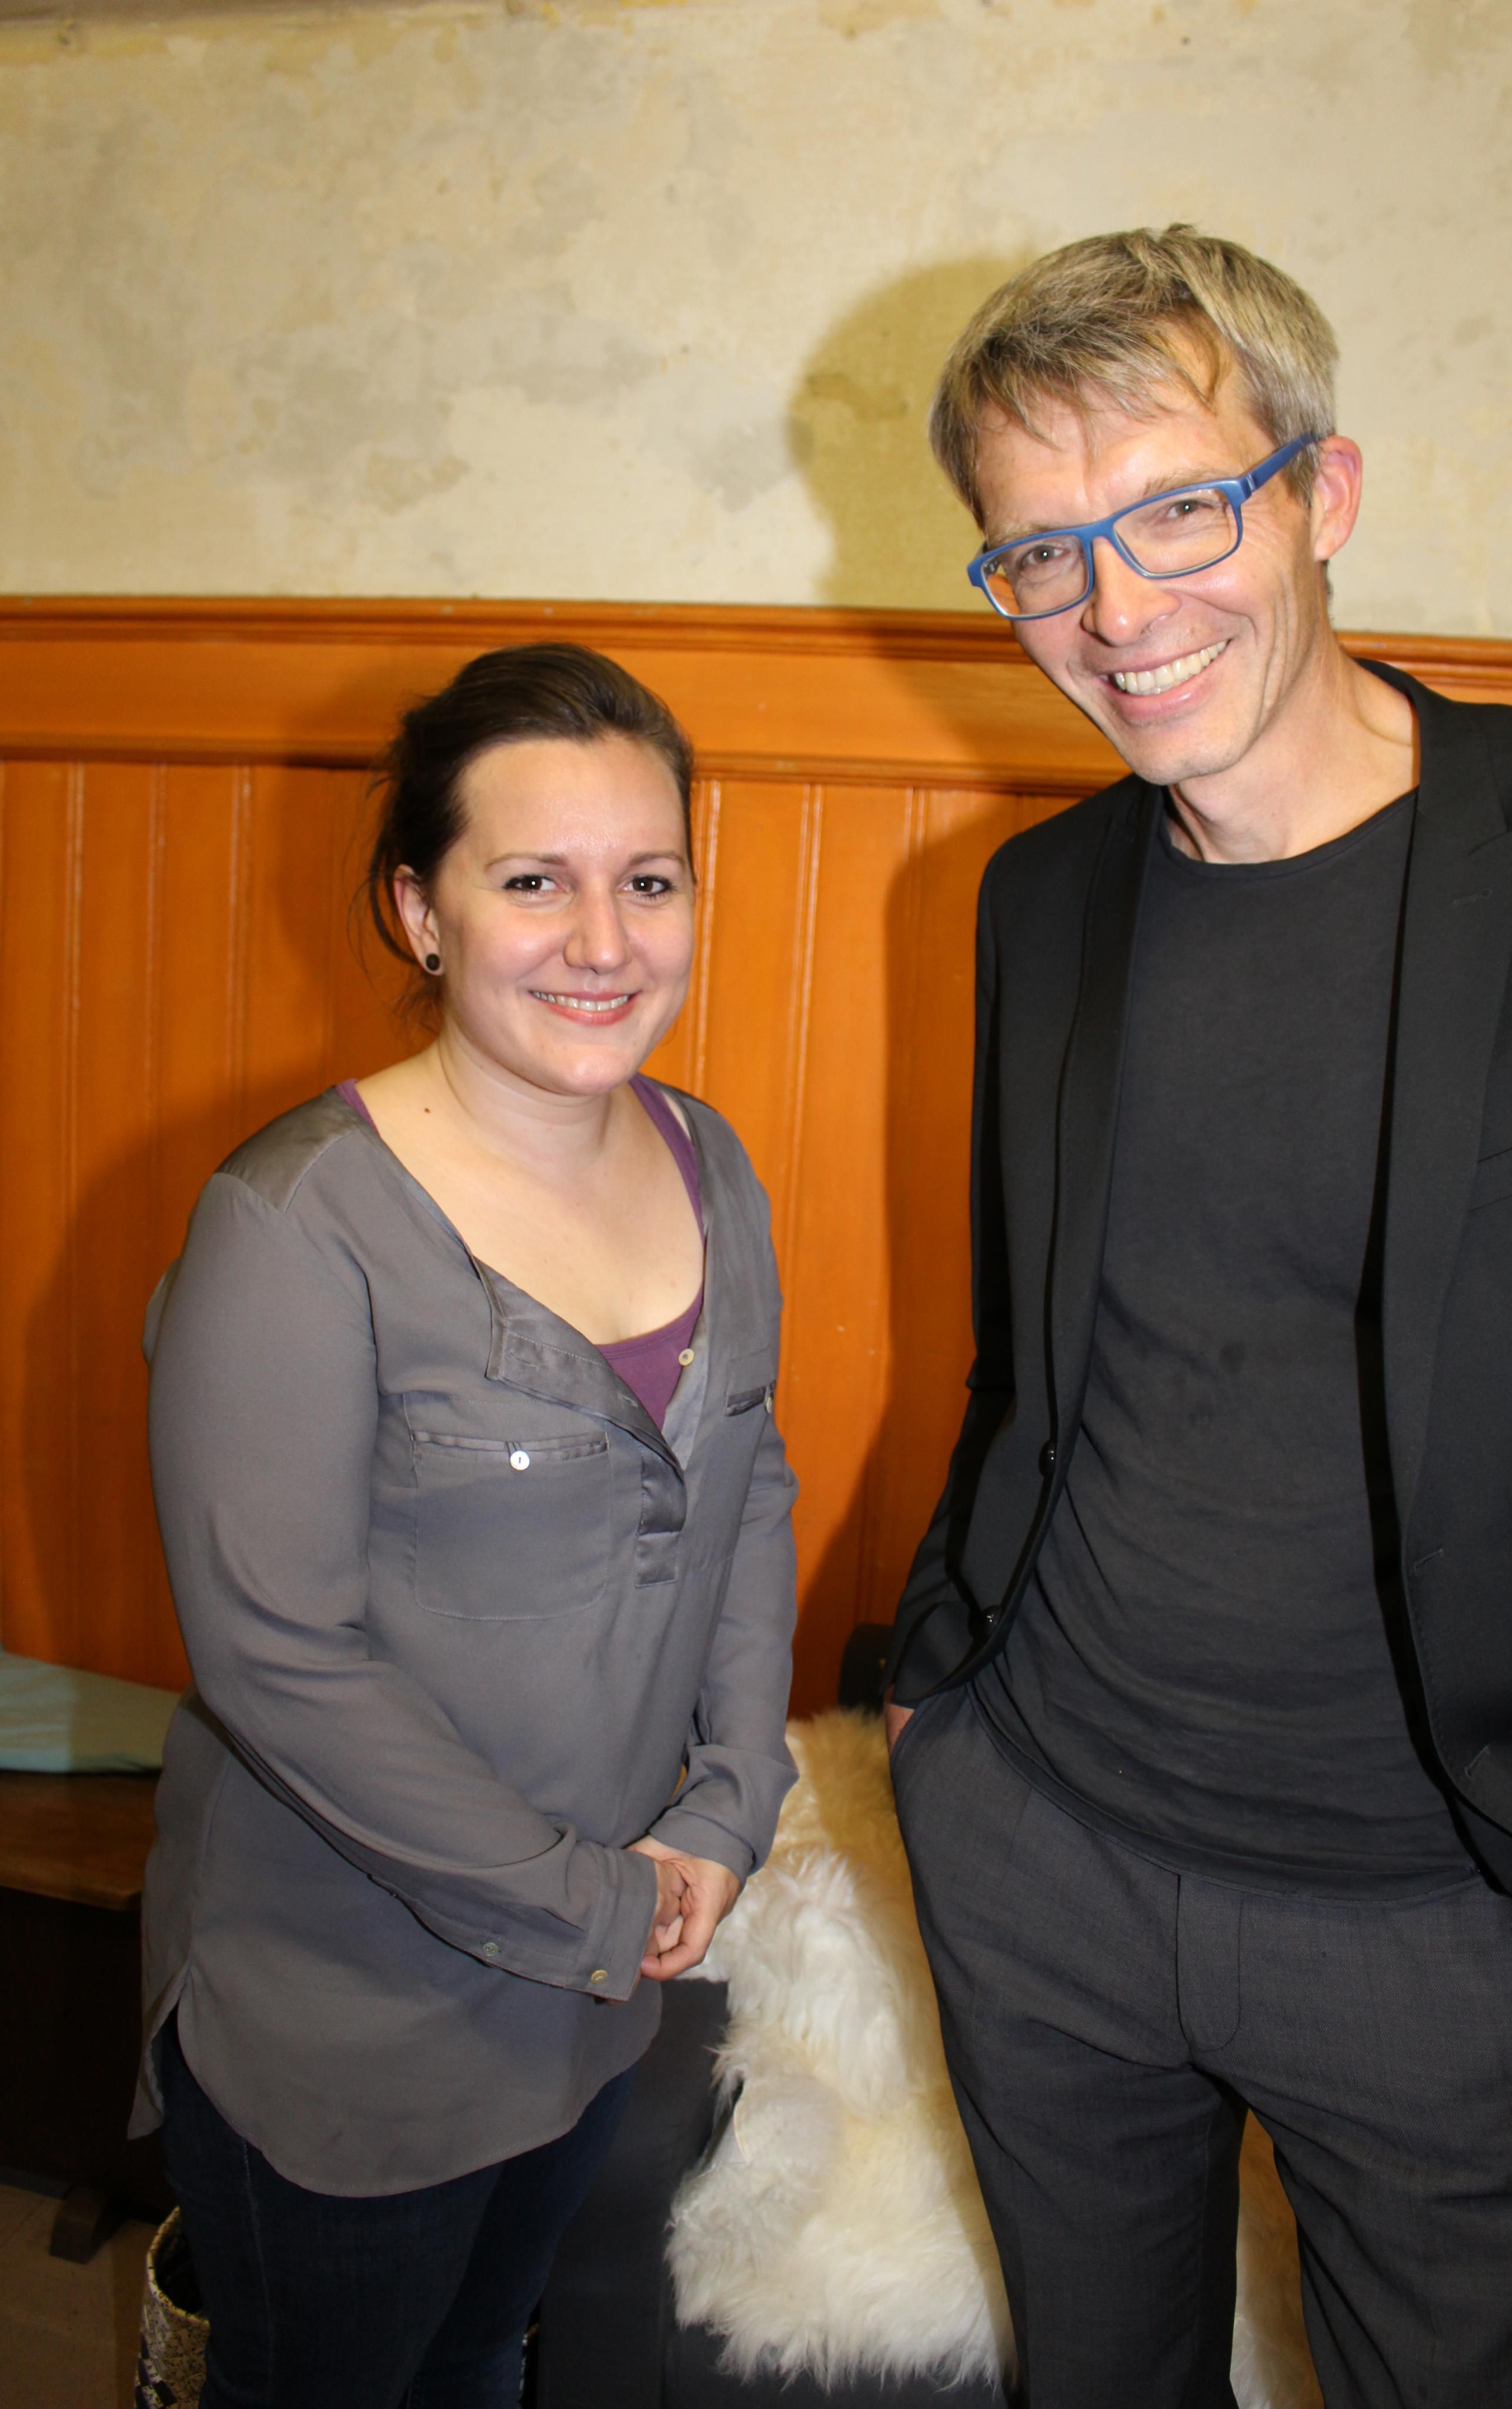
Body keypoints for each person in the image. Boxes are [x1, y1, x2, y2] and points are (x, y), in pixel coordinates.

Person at [882, 226, 1512, 2408]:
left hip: (1449, 1920)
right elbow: (1028, 1362)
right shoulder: (1037, 898)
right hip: (1043, 1856)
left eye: (1179, 509)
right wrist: (935, 1690)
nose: (1114, 610)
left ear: (1322, 494)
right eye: (1038, 553)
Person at [135, 642, 797, 2407]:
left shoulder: (712, 1163)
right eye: (533, 882)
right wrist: (588, 1898)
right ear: (419, 911)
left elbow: (747, 1487)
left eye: (648, 880)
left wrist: (730, 1802)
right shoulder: (293, 1227)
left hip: (599, 1985)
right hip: (352, 2011)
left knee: (482, 2367)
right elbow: (279, 1662)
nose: (604, 940)